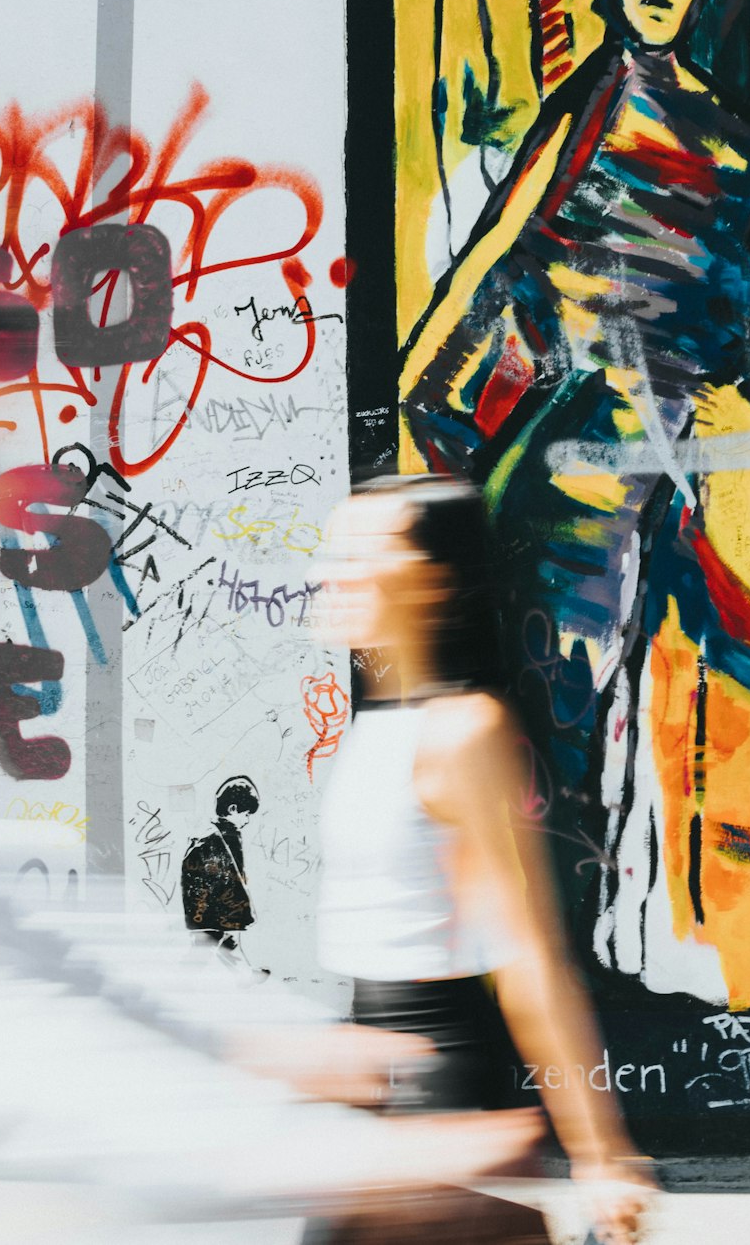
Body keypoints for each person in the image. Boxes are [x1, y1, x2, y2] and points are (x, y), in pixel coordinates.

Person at [399, 0, 750, 950]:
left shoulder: (740, 146)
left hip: (707, 437)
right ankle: (543, 1002)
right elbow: (450, 343)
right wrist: (452, 486)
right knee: (552, 753)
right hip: (584, 460)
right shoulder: (589, 120)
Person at [309, 474, 654, 1244]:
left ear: (431, 584)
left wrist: (600, 1153)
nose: (335, 569)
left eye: (366, 551)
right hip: (372, 1096)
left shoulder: (464, 732)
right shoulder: (378, 726)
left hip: (438, 1098)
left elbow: (529, 957)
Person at [181, 774, 268, 980]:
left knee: (227, 941)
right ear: (233, 810)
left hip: (215, 906)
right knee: (205, 947)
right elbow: (222, 875)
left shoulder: (221, 835)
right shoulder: (220, 838)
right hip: (213, 907)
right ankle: (183, 979)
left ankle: (244, 975)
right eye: (246, 814)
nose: (247, 820)